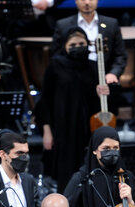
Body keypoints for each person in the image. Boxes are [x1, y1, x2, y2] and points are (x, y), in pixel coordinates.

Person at [37, 27, 106, 192]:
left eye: (81, 43)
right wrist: (47, 131)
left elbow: (100, 101)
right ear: (65, 46)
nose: (78, 47)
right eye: (73, 44)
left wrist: (103, 92)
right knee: (66, 176)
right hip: (63, 131)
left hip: (88, 130)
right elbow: (44, 100)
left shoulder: (94, 66)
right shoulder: (55, 65)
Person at [50, 0, 126, 88]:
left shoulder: (111, 24)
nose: (87, 2)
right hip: (73, 79)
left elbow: (120, 55)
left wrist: (113, 73)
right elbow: (56, 55)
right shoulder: (62, 24)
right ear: (76, 1)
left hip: (104, 77)